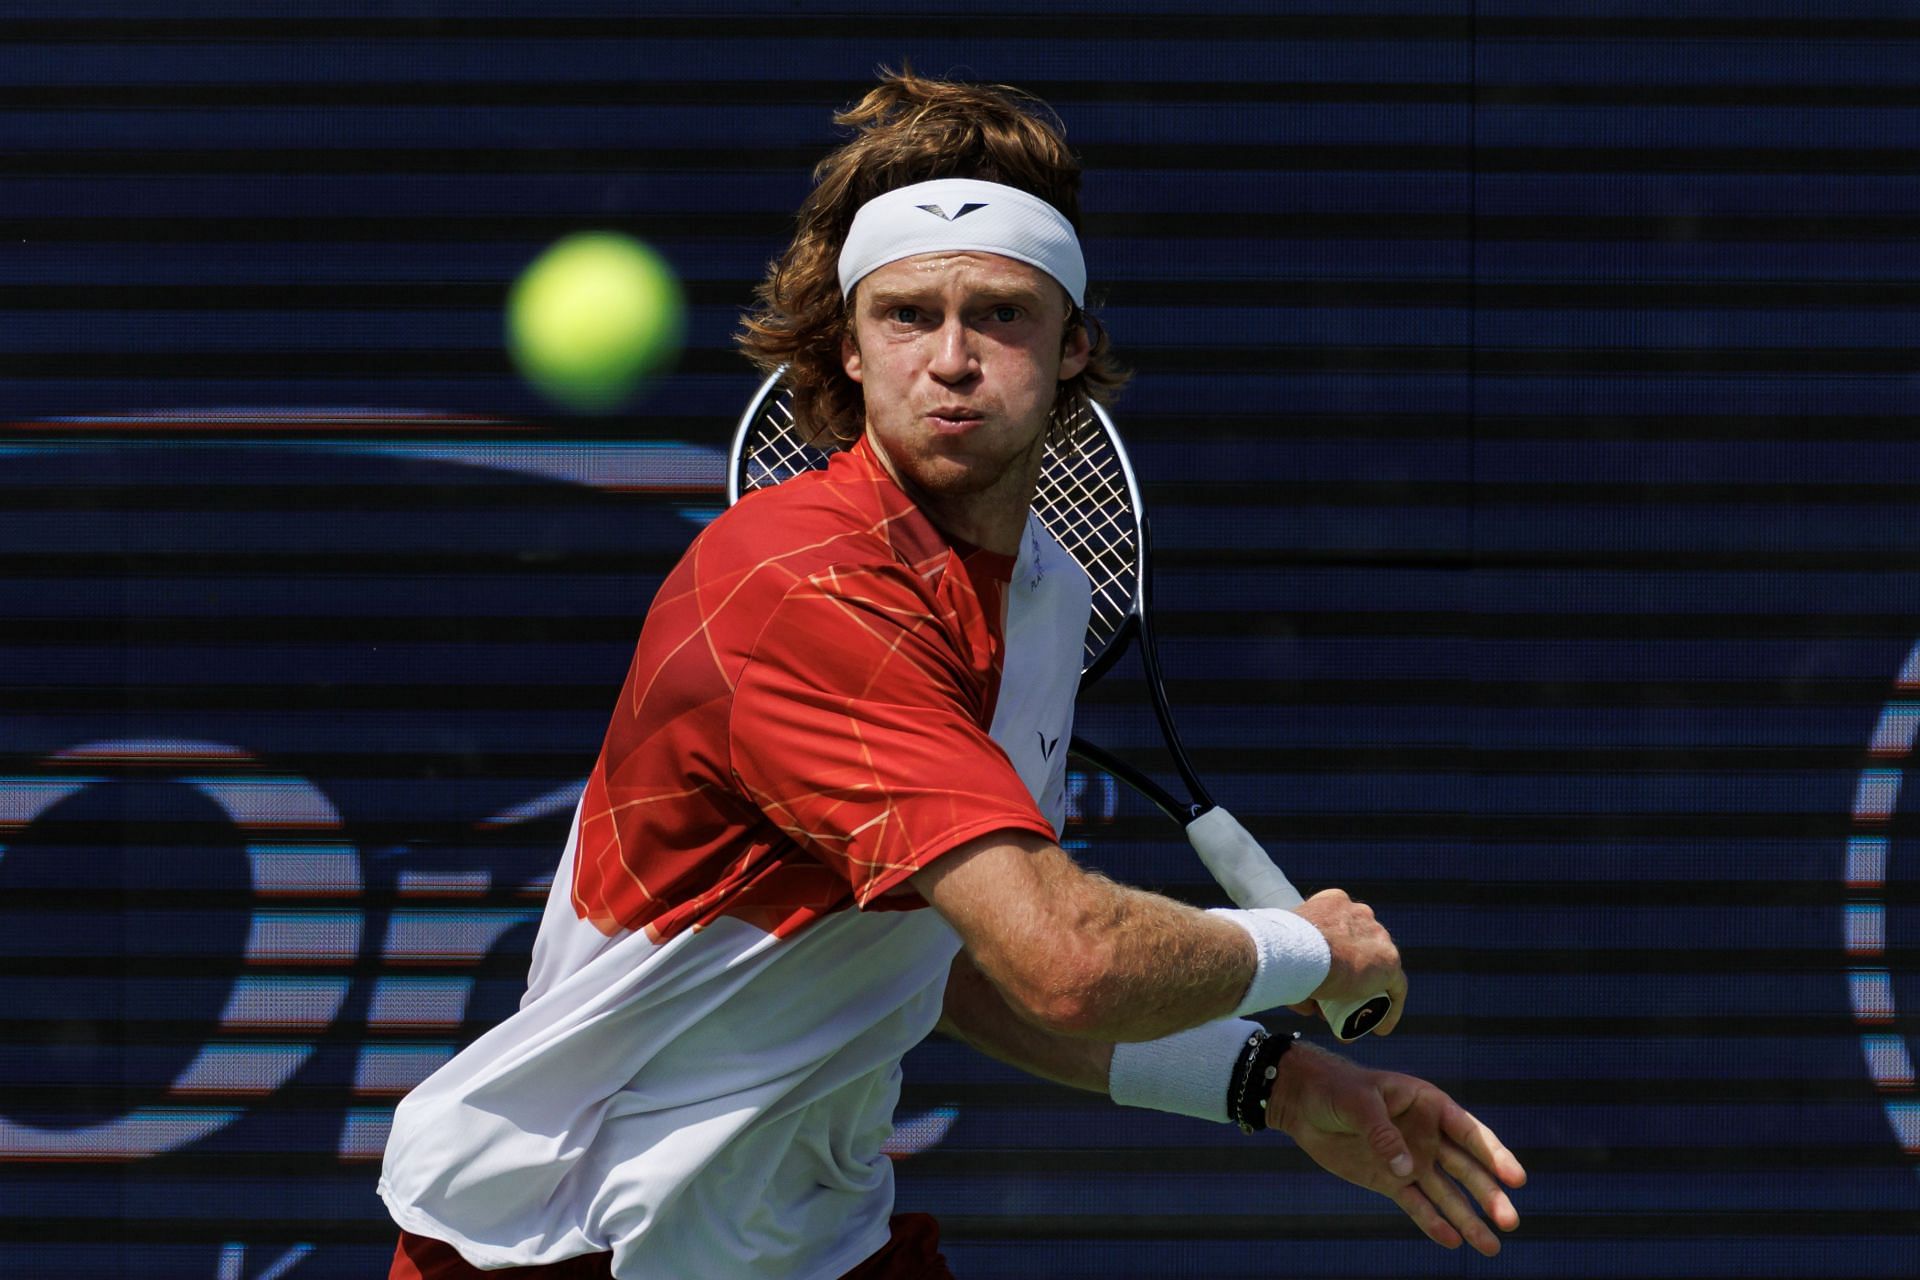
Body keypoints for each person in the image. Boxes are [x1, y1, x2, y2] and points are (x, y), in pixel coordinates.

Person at [379, 69, 1524, 1279]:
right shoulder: (793, 582)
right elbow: (1067, 961)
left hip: (814, 1237)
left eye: (1003, 315)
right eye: (909, 316)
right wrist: (1307, 946)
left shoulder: (1046, 595)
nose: (954, 359)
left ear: (1075, 343)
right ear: (851, 352)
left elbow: (966, 962)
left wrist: (1277, 1083)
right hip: (568, 1243)